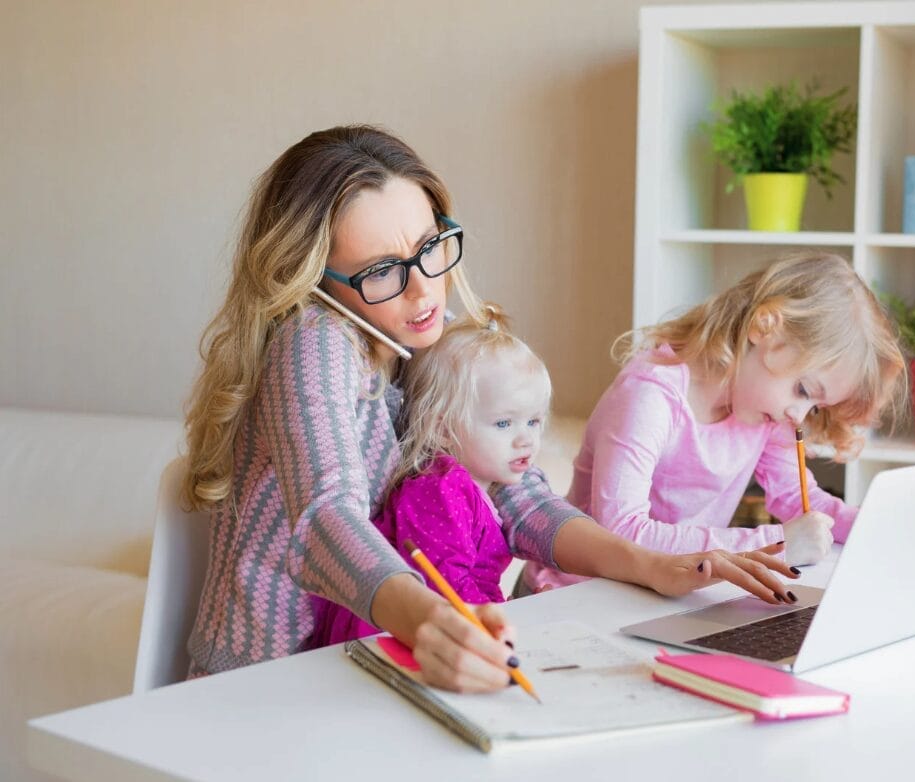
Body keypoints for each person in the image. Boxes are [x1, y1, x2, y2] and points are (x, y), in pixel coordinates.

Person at [181, 124, 794, 692]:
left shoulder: (421, 333)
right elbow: (325, 518)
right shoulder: (313, 340)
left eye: (429, 249)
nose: (424, 291)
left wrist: (650, 564)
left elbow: (516, 494)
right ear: (315, 281)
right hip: (268, 679)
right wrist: (428, 622)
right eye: (381, 273)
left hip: (359, 659)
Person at [523, 252, 906, 594]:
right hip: (573, 593)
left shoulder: (765, 411)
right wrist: (773, 543)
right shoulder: (651, 396)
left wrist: (879, 525)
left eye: (816, 407)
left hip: (665, 593)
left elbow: (801, 501)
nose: (799, 415)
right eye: (804, 389)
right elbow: (621, 533)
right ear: (764, 328)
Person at [312, 308, 556, 646]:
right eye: (504, 423)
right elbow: (448, 586)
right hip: (382, 638)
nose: (526, 439)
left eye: (534, 421)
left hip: (441, 628)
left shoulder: (478, 487)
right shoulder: (439, 489)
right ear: (442, 429)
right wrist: (507, 618)